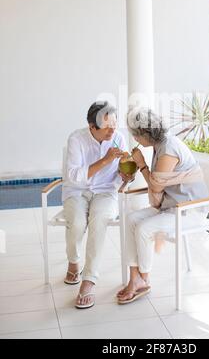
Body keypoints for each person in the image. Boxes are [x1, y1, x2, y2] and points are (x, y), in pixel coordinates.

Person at [117, 108, 208, 304]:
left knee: (143, 228)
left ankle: (144, 279)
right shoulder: (160, 145)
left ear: (144, 134)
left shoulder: (168, 148)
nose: (134, 138)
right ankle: (135, 278)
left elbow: (156, 184)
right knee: (131, 219)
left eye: (135, 134)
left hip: (189, 210)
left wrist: (141, 164)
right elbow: (159, 183)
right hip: (172, 206)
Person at [62, 101, 131, 309]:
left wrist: (126, 175)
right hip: (77, 191)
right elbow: (73, 177)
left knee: (99, 219)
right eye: (107, 127)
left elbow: (123, 174)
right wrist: (105, 159)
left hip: (106, 192)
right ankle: (74, 261)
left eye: (115, 124)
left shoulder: (118, 138)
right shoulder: (76, 139)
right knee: (76, 223)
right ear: (92, 126)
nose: (112, 131)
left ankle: (89, 280)